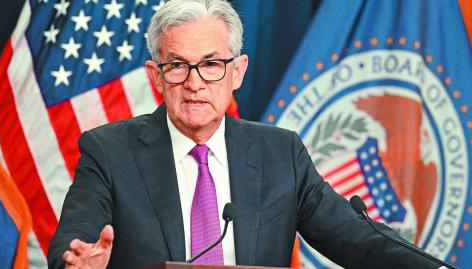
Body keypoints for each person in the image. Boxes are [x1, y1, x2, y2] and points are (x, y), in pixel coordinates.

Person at [48, 0, 440, 268]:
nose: (195, 83)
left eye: (212, 64)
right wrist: (79, 263)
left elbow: (356, 238)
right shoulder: (109, 151)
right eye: (178, 66)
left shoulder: (279, 153)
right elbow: (77, 243)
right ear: (156, 76)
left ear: (237, 72)